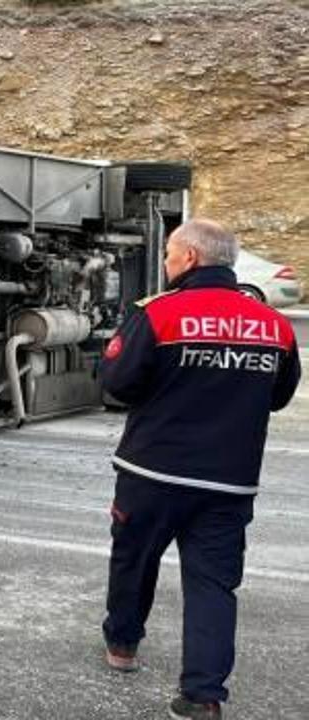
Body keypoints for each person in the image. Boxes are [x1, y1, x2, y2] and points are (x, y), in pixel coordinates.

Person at [98, 219, 301, 719]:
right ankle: (202, 696)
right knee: (214, 584)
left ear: (189, 258)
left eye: (169, 254)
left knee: (134, 560)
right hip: (229, 481)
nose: (166, 263)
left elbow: (117, 383)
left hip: (152, 473)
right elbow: (280, 395)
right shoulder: (273, 325)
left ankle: (122, 647)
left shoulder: (159, 313)